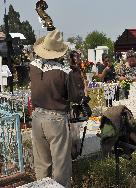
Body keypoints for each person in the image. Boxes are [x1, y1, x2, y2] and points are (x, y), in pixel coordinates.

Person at [29, 29, 85, 187]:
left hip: (37, 117)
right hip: (55, 119)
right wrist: (76, 74)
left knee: (42, 164)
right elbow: (76, 97)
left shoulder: (33, 67)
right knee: (60, 166)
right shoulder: (65, 72)